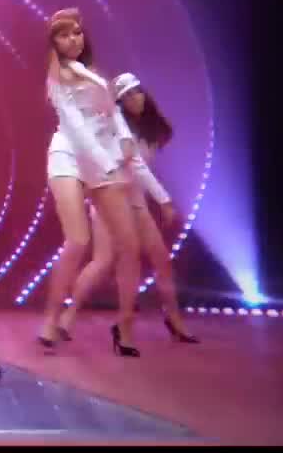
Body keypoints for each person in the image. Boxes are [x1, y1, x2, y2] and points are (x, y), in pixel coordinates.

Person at [56, 72, 199, 344]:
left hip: (135, 202)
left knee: (161, 260)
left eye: (137, 91)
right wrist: (164, 200)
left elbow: (140, 170)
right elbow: (135, 167)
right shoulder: (113, 128)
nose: (135, 98)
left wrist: (160, 200)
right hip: (110, 200)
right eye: (127, 96)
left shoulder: (149, 130)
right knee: (104, 260)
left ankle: (173, 318)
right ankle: (67, 317)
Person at [37, 8, 144, 357]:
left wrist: (125, 140)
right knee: (78, 239)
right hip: (69, 154)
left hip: (102, 159)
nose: (73, 40)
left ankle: (124, 325)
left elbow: (112, 114)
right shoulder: (57, 78)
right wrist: (106, 164)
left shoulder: (95, 73)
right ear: (53, 42)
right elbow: (77, 128)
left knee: (129, 245)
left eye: (77, 33)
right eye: (64, 35)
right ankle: (51, 319)